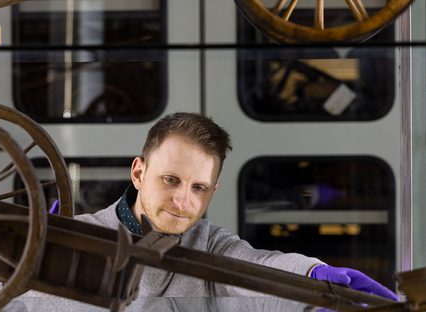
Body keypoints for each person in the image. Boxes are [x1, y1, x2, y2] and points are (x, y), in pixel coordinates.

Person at [75, 112, 398, 301]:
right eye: (171, 180)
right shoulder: (78, 236)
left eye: (198, 188)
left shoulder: (209, 246)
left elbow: (258, 264)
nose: (183, 201)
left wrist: (313, 274)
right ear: (138, 173)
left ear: (213, 192)